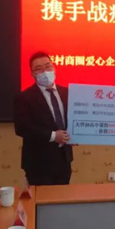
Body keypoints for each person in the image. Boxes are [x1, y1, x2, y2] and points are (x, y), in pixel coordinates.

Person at [13, 51, 73, 185]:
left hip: (64, 159)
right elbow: (22, 128)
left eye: (48, 66)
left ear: (54, 68)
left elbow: (71, 120)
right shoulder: (24, 98)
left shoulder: (67, 93)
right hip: (38, 163)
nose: (45, 71)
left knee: (62, 196)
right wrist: (53, 136)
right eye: (39, 69)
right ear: (32, 74)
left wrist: (75, 135)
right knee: (41, 198)